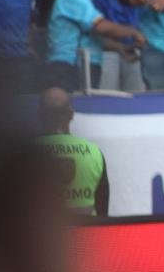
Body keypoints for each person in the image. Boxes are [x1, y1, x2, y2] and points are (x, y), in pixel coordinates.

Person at [40, 0, 146, 91]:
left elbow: (90, 36)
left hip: (78, 66)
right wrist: (132, 31)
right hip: (69, 67)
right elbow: (100, 26)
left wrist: (119, 48)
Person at [35, 87, 109, 216]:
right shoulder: (94, 152)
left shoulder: (26, 154)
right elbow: (103, 211)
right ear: (71, 114)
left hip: (44, 229)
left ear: (40, 115)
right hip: (88, 228)